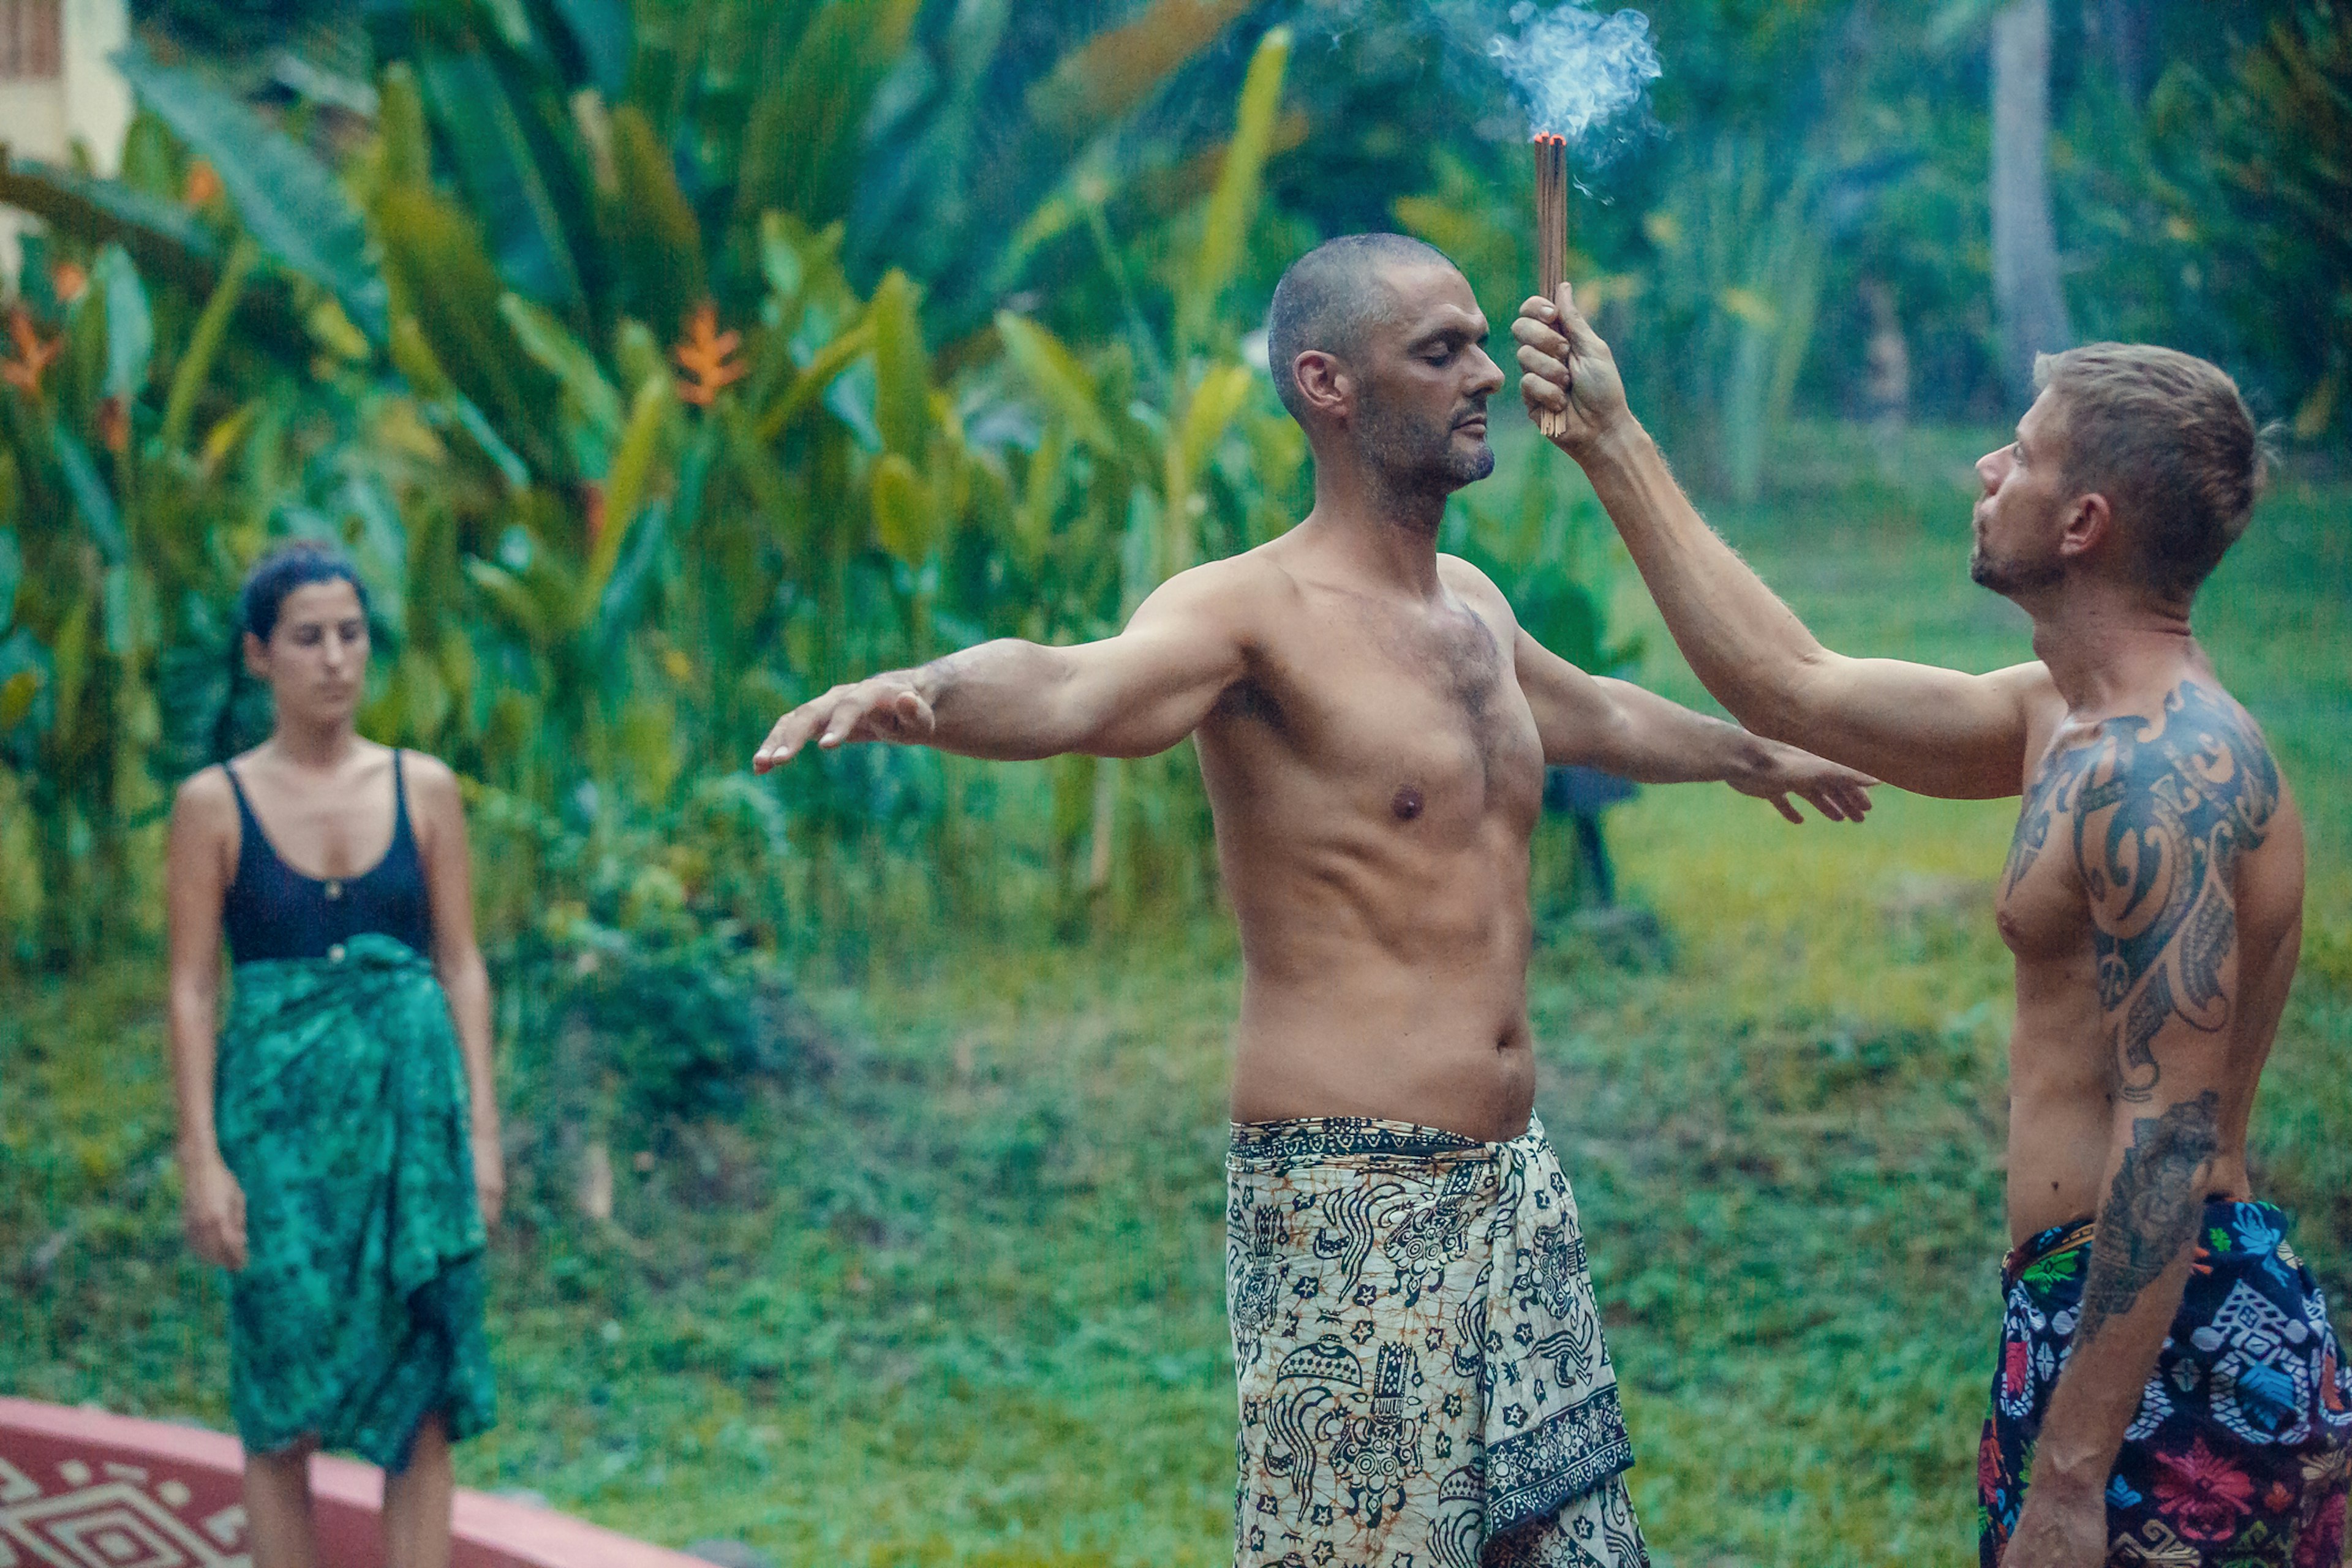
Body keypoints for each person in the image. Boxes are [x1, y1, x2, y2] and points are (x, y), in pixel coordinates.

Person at [755, 233, 1876, 1568]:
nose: (1482, 375)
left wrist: (1754, 753)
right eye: (1441, 350)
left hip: (1512, 1182)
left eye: (1478, 340)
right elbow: (1072, 684)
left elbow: (1593, 712)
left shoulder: (1474, 604)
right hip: (1352, 1196)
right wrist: (926, 692)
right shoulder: (1248, 610)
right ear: (1327, 384)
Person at [1511, 293, 2352, 1565]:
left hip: (2177, 1353)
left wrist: (2071, 1481)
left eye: (2020, 449)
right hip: (2083, 1324)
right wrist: (1612, 440)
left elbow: (2169, 1151)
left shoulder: (2163, 777)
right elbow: (1789, 684)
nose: (1986, 468)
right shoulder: (2056, 713)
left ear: (2083, 523)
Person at [166, 545, 501, 1568]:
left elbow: (463, 964)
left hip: (415, 1127)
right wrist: (202, 1156)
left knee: (425, 1390)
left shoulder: (425, 788)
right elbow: (191, 987)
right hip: (276, 1131)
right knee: (280, 1404)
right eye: (308, 638)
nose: (335, 659)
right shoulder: (213, 805)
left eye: (351, 634)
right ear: (260, 655)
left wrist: (483, 1132)